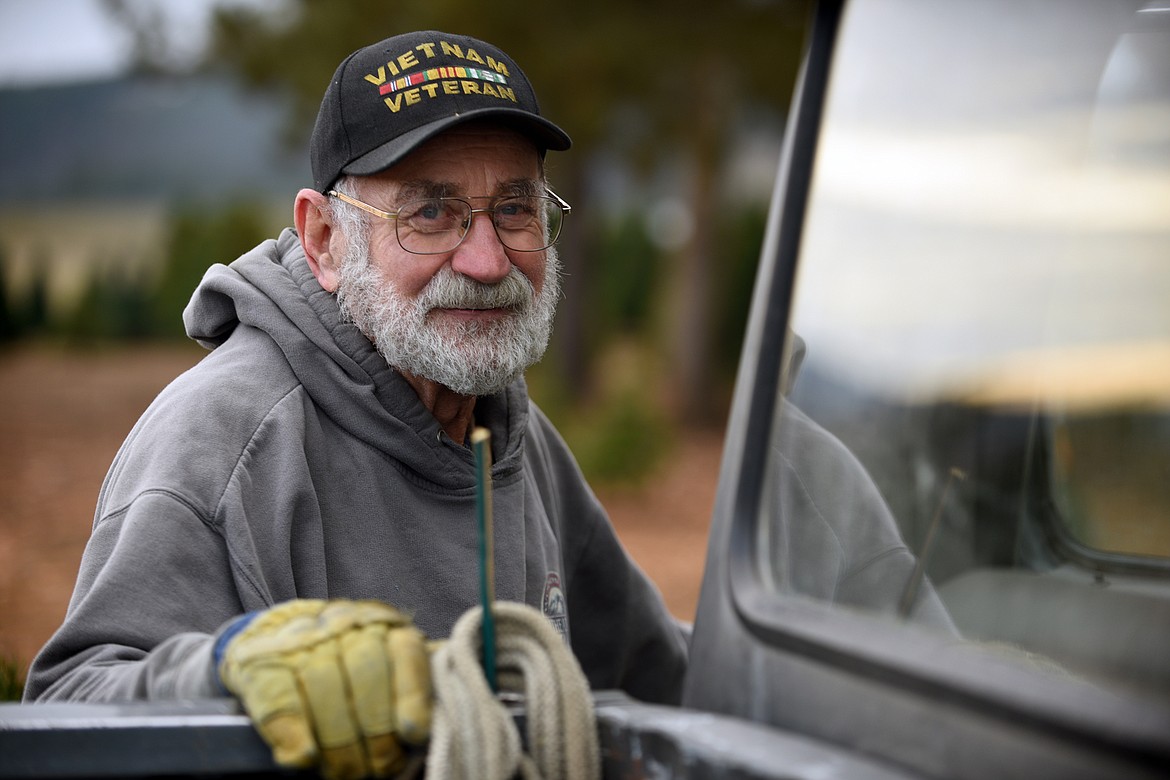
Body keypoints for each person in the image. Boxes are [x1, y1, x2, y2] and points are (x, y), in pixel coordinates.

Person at [24, 30, 687, 778]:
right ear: (324, 238)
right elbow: (70, 702)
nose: (487, 259)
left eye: (514, 209)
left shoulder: (505, 427)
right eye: (430, 214)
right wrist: (221, 670)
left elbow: (660, 672)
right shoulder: (224, 439)